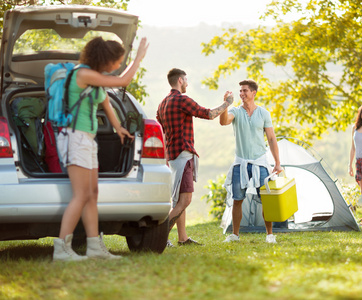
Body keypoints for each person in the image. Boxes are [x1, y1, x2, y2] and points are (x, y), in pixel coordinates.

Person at [53, 36, 149, 261]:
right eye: (117, 62)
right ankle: (61, 249)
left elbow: (105, 103)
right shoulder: (83, 74)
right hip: (75, 138)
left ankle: (94, 247)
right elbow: (123, 82)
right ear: (106, 60)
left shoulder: (95, 79)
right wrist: (138, 59)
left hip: (87, 140)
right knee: (82, 194)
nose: (118, 66)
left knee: (92, 194)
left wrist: (118, 128)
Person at [156, 68, 234, 247]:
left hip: (173, 157)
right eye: (186, 80)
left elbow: (162, 130)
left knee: (178, 200)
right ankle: (159, 237)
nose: (187, 84)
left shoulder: (162, 104)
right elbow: (208, 114)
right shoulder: (182, 99)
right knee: (185, 200)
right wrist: (226, 103)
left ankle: (182, 238)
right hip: (184, 154)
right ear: (181, 81)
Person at [220, 79, 282, 243]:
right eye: (240, 91)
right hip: (240, 163)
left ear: (253, 93)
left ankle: (269, 235)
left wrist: (277, 163)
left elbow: (271, 138)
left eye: (245, 90)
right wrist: (225, 104)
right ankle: (235, 235)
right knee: (237, 199)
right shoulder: (236, 112)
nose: (241, 94)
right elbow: (223, 121)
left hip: (260, 162)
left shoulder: (263, 113)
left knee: (266, 200)